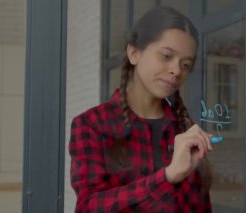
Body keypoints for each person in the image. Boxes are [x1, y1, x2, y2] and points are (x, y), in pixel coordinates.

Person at [69, 6, 214, 213]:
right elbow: (88, 207)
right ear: (134, 53)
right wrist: (167, 177)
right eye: (166, 56)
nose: (176, 70)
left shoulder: (184, 131)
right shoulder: (92, 124)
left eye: (186, 65)